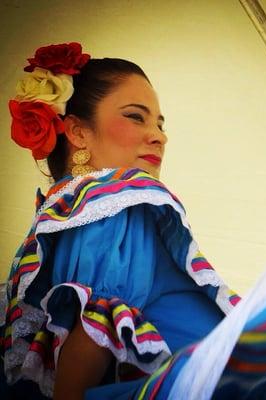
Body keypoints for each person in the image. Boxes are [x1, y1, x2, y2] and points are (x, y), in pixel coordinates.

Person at [0, 42, 239, 400]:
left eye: (159, 123)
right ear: (78, 132)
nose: (160, 135)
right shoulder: (116, 199)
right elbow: (94, 326)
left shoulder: (66, 215)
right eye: (135, 116)